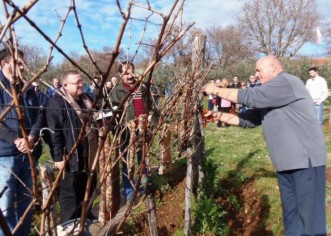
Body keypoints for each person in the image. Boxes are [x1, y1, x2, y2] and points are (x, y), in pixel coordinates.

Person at [204, 55, 327, 236]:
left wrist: (215, 89)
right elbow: (250, 119)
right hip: (286, 164)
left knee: (311, 222)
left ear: (273, 67)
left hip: (305, 162)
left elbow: (251, 96)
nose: (256, 74)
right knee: (292, 219)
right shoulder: (271, 93)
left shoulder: (285, 82)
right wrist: (219, 116)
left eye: (259, 70)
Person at [0, 48, 43, 235]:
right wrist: (16, 139)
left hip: (29, 154)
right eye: (18, 63)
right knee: (5, 207)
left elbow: (38, 115)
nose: (23, 67)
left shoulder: (26, 88)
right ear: (4, 64)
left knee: (27, 204)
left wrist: (32, 136)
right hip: (5, 156)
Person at [45, 70, 97, 223]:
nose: (81, 85)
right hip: (70, 153)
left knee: (88, 184)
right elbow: (54, 133)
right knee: (70, 191)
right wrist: (58, 156)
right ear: (65, 85)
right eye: (77, 83)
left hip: (88, 150)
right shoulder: (56, 103)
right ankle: (69, 223)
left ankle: (85, 216)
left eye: (82, 82)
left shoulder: (86, 99)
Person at [109, 61, 149, 202]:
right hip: (127, 132)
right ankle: (129, 191)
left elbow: (149, 102)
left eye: (132, 72)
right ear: (120, 74)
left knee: (143, 159)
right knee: (128, 162)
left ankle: (145, 185)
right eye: (126, 73)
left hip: (143, 129)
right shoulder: (116, 91)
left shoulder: (142, 87)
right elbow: (114, 114)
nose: (130, 76)